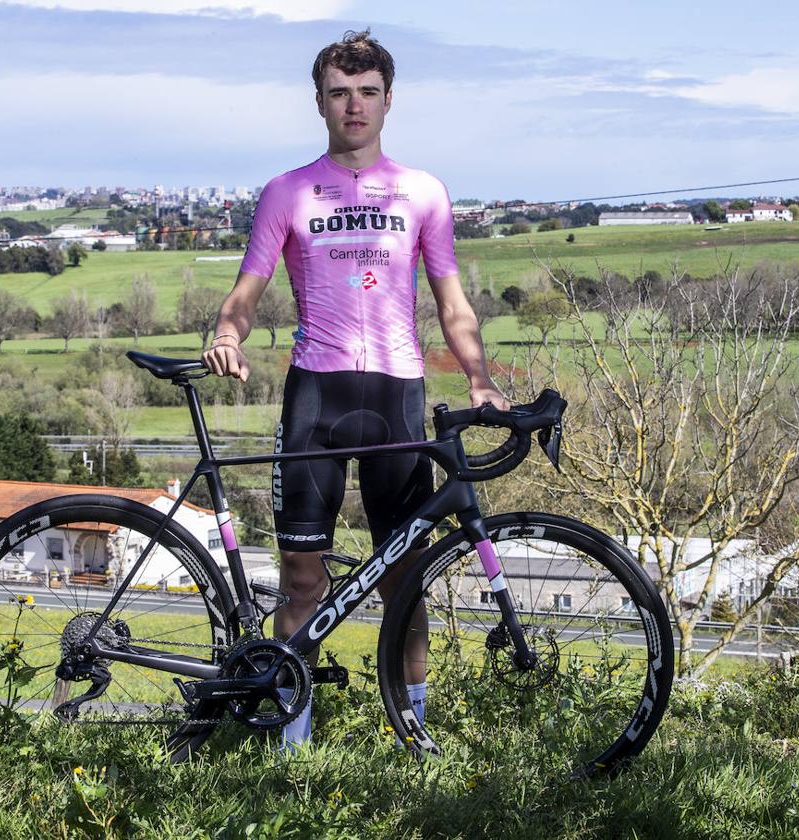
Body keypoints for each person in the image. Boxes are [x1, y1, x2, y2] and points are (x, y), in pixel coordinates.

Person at [202, 29, 508, 748]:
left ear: (388, 100)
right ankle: (291, 750)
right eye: (340, 92)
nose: (354, 106)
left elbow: (452, 303)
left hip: (397, 395)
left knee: (405, 582)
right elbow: (247, 290)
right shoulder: (286, 191)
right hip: (317, 397)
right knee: (302, 578)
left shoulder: (423, 192)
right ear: (319, 102)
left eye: (367, 93)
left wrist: (480, 378)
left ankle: (416, 740)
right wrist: (227, 334)